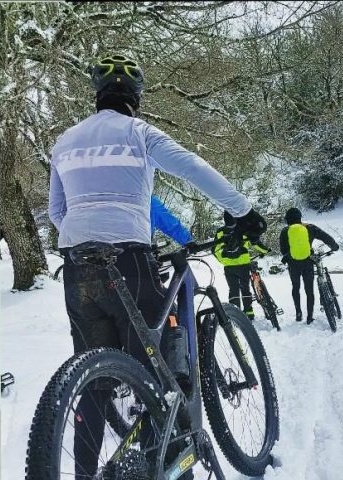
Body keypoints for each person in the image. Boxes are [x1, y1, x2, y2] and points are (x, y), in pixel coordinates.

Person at [48, 53, 266, 479]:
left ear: (98, 95)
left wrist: (85, 232)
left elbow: (58, 211)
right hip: (129, 258)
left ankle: (84, 473)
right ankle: (167, 468)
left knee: (92, 376)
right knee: (156, 374)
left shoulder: (64, 141)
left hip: (78, 265)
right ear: (136, 97)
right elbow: (192, 167)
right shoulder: (138, 132)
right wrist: (242, 211)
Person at [279, 207, 339, 324]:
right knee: (309, 290)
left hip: (293, 264)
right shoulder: (309, 228)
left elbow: (283, 249)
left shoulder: (285, 231)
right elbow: (326, 237)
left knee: (296, 287)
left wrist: (289, 257)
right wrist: (334, 246)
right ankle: (309, 316)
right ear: (300, 218)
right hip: (308, 262)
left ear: (288, 220)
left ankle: (298, 313)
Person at [212, 212, 269, 320]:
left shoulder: (220, 232)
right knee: (245, 288)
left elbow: (215, 250)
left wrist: (223, 260)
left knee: (233, 289)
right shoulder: (244, 229)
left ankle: (236, 314)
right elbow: (255, 242)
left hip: (229, 266)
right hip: (243, 264)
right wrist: (265, 250)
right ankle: (249, 312)